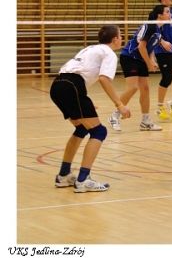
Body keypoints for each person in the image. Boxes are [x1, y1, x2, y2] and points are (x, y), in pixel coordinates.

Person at [50, 25, 131, 192]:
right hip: (72, 87)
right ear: (115, 39)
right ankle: (83, 180)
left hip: (58, 85)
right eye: (121, 36)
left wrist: (82, 99)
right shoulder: (108, 53)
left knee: (81, 129)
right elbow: (104, 79)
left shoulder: (91, 48)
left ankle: (64, 175)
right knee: (99, 132)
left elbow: (79, 73)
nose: (122, 39)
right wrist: (120, 104)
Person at [109, 5, 171, 132]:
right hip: (130, 57)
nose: (170, 14)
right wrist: (149, 63)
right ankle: (114, 116)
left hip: (141, 59)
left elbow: (150, 47)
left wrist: (151, 60)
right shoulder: (150, 26)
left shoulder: (158, 30)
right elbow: (141, 47)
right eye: (167, 12)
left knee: (145, 89)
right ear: (159, 15)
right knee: (133, 88)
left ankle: (145, 121)